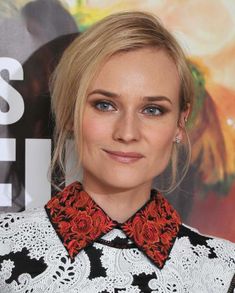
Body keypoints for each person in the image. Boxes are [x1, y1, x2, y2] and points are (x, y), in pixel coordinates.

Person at [0, 11, 234, 293]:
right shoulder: (6, 247)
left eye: (152, 110)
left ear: (179, 124)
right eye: (105, 105)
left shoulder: (222, 271)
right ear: (69, 113)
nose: (127, 133)